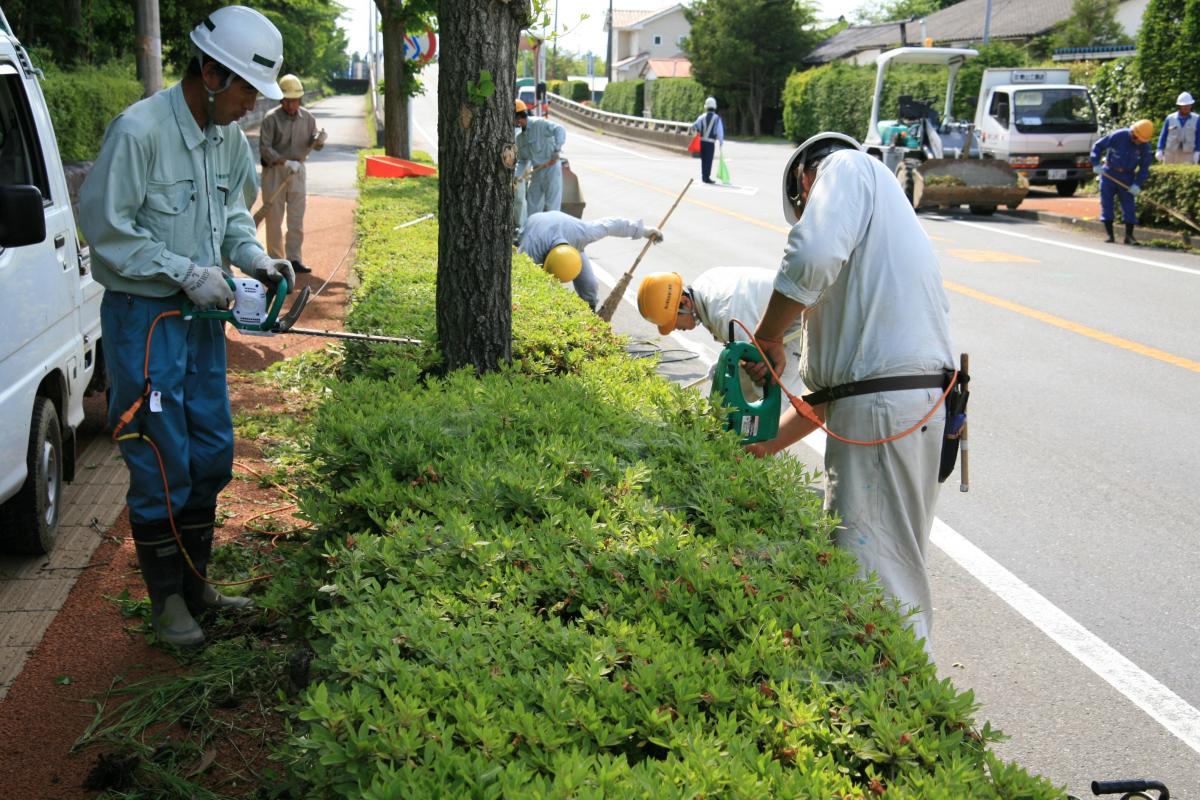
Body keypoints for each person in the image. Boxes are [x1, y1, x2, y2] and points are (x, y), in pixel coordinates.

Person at [78, 5, 294, 648]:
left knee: (210, 451)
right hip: (145, 319)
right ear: (210, 72)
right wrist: (180, 270)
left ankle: (197, 583)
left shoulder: (226, 140)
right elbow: (108, 232)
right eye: (247, 89)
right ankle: (169, 602)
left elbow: (232, 215)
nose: (253, 105)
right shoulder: (139, 132)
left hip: (201, 319)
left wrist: (254, 256)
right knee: (158, 455)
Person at [745, 132, 955, 654]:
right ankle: (907, 708)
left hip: (885, 408)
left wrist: (769, 335)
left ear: (805, 182)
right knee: (895, 567)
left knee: (877, 583)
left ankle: (909, 718)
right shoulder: (885, 222)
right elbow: (830, 394)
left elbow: (811, 252)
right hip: (908, 404)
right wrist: (767, 443)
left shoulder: (846, 169)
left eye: (806, 209)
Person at [636, 268, 803, 399]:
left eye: (672, 322)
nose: (673, 329)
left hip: (800, 318)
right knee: (743, 388)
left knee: (772, 394)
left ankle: (767, 440)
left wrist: (731, 365)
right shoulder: (705, 284)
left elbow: (759, 359)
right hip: (782, 312)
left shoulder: (725, 316)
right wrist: (725, 363)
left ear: (684, 303)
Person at [517, 210, 662, 310]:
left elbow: (612, 224)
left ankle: (590, 311)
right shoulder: (530, 251)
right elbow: (522, 281)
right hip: (536, 223)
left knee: (590, 285)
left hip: (568, 232)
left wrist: (643, 231)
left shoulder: (583, 234)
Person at [259, 73, 326, 275]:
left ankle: (294, 259)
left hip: (298, 170)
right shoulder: (271, 119)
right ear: (281, 99)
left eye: (294, 101)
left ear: (300, 100)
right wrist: (283, 161)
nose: (290, 105)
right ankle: (276, 261)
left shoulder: (308, 118)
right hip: (275, 171)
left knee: (296, 218)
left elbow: (314, 143)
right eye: (287, 101)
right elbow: (265, 148)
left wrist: (319, 139)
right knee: (274, 218)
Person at [1091, 119, 1154, 245]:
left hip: (1127, 176)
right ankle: (1110, 235)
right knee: (1107, 203)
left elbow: (1144, 166)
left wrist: (1137, 183)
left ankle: (1129, 236)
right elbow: (1098, 146)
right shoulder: (1118, 135)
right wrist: (1095, 162)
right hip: (1109, 174)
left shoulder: (1144, 146)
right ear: (1133, 132)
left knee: (1129, 206)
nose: (1138, 141)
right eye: (1137, 138)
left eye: (1141, 140)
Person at [515, 99, 566, 214]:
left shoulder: (539, 124)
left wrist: (556, 150)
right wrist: (516, 176)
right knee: (532, 204)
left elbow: (559, 129)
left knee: (552, 205)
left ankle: (552, 231)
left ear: (518, 118)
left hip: (551, 169)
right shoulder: (520, 138)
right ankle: (534, 230)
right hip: (537, 171)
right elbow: (522, 161)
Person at [1156, 92, 1200, 165]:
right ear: (1179, 106)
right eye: (1183, 105)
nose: (1186, 107)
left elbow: (1199, 136)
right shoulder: (1170, 118)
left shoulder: (1197, 119)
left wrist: (1198, 151)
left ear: (1191, 105)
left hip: (1188, 153)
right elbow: (1163, 135)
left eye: (1188, 105)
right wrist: (1159, 149)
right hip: (1170, 153)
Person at [691, 96, 724, 185]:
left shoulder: (701, 117)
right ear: (714, 106)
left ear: (706, 106)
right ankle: (707, 177)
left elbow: (694, 126)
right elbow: (719, 132)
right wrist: (721, 142)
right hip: (710, 143)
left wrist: (696, 133)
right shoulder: (717, 118)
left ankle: (704, 176)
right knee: (709, 160)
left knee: (704, 159)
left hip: (702, 141)